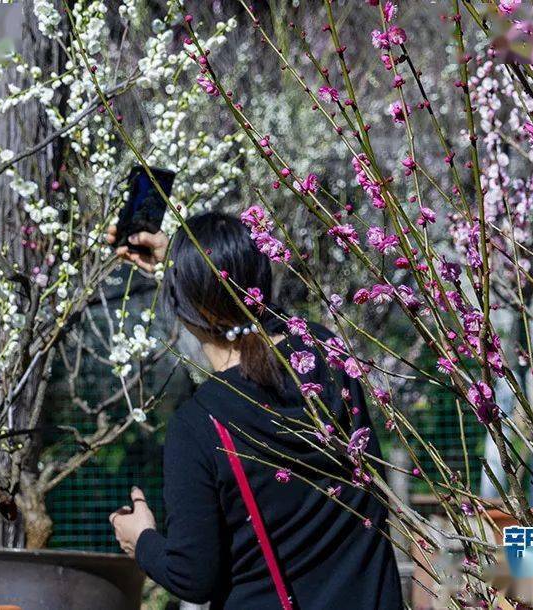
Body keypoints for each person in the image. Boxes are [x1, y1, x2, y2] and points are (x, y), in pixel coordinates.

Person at [106, 212, 402, 610]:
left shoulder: (198, 426)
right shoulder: (326, 354)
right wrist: (182, 267)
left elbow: (192, 576)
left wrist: (140, 539)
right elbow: (256, 317)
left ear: (182, 304)